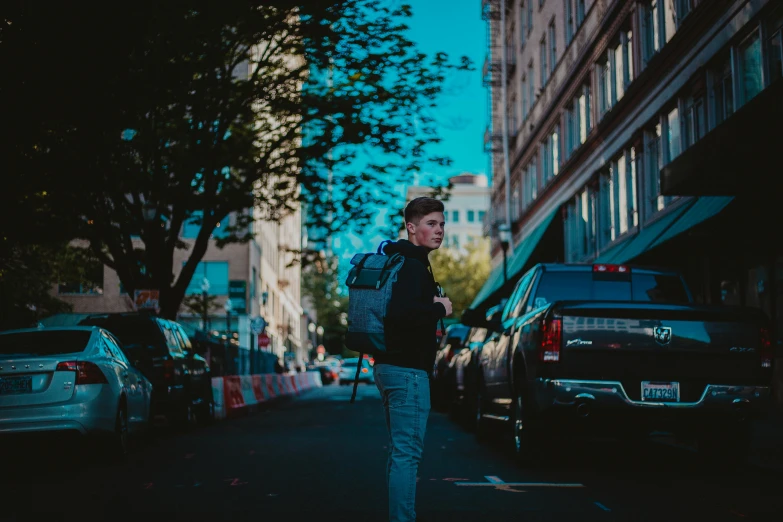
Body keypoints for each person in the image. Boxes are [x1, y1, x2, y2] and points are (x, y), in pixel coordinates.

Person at [373, 197, 452, 522]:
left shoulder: (397, 261)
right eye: (431, 224)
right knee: (407, 455)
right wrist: (439, 308)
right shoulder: (413, 265)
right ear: (411, 227)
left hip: (389, 367)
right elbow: (399, 316)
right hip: (407, 372)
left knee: (400, 453)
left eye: (442, 224)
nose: (439, 231)